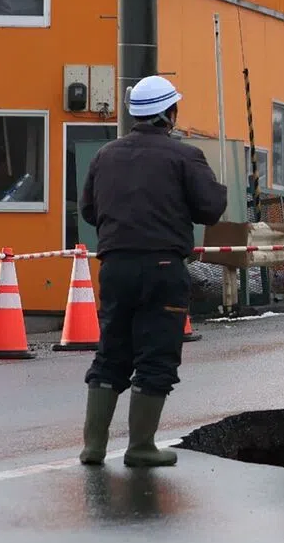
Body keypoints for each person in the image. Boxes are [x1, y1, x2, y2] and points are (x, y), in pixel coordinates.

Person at [78, 76, 228, 466]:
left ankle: (93, 447)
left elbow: (89, 211)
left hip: (114, 266)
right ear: (169, 114)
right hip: (163, 268)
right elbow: (210, 208)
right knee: (156, 355)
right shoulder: (184, 157)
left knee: (111, 352)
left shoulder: (105, 155)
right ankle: (140, 446)